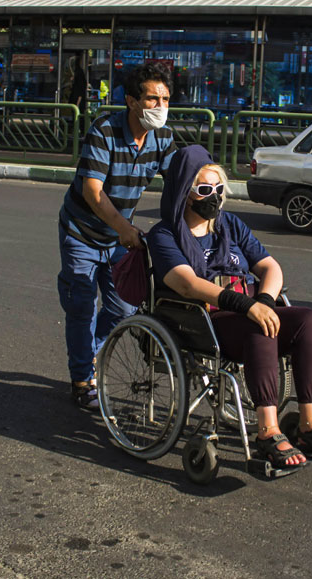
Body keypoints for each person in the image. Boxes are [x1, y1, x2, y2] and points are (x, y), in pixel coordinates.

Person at [147, 145, 312, 470]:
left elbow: (270, 268)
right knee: (258, 327)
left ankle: (311, 425)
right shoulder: (165, 234)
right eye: (204, 189)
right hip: (206, 319)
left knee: (308, 320)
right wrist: (246, 307)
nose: (214, 196)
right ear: (184, 192)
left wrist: (263, 301)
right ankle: (268, 431)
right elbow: (186, 283)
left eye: (219, 188)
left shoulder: (231, 225)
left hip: (248, 308)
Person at [58, 62, 177, 409]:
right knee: (81, 306)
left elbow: (179, 187)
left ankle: (89, 353)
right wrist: (125, 229)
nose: (160, 107)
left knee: (124, 307)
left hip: (119, 239)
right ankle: (82, 379)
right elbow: (93, 192)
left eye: (166, 99)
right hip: (82, 232)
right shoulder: (104, 131)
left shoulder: (164, 138)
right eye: (152, 99)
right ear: (131, 101)